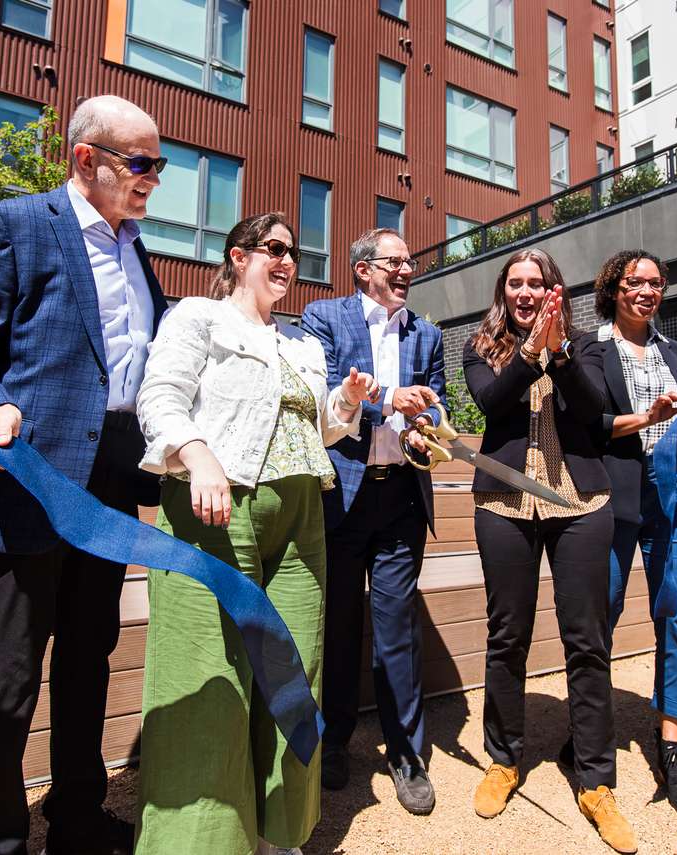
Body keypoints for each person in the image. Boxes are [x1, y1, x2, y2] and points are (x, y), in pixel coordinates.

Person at [0, 95, 168, 855]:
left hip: (110, 481)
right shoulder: (13, 227)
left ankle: (75, 817)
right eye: (140, 163)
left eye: (157, 166)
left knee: (87, 658)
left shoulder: (138, 251)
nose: (152, 180)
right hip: (29, 477)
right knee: (8, 679)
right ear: (85, 158)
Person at [134, 213, 375, 855]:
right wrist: (195, 453)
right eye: (274, 249)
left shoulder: (303, 345)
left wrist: (346, 401)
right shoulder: (196, 317)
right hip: (216, 506)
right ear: (239, 256)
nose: (287, 261)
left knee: (296, 673)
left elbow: (317, 431)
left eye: (294, 252)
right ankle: (202, 843)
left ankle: (280, 832)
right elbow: (160, 397)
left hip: (302, 518)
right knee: (209, 675)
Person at [464, 249, 636, 854]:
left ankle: (595, 780)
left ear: (555, 289)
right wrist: (531, 352)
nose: (526, 291)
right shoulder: (481, 347)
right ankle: (505, 760)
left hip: (581, 503)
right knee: (506, 636)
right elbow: (492, 404)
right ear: (503, 291)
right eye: (516, 283)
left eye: (538, 282)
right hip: (504, 505)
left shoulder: (588, 346)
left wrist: (559, 354)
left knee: (587, 640)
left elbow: (592, 411)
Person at [579, 250, 677, 822]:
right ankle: (590, 731)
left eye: (654, 283)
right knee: (603, 612)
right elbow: (587, 424)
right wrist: (647, 417)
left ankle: (671, 745)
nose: (645, 291)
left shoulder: (675, 350)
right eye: (634, 282)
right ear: (612, 288)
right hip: (616, 497)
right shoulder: (590, 348)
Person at [299, 228, 447, 815]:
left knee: (397, 631)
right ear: (363, 269)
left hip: (402, 501)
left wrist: (424, 416)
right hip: (342, 498)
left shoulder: (427, 333)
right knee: (336, 625)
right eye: (396, 261)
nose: (407, 269)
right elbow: (325, 388)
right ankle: (333, 740)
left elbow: (435, 398)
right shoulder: (324, 317)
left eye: (410, 262)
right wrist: (389, 400)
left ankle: (408, 754)